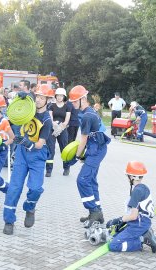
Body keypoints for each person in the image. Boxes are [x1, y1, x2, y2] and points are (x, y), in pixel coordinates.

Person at [3, 84, 54, 235]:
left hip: (37, 155)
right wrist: (19, 99)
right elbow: (13, 113)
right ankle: (9, 221)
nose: (38, 100)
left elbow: (39, 144)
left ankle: (29, 207)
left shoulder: (47, 121)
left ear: (47, 100)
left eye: (42, 98)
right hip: (21, 154)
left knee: (36, 188)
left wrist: (26, 142)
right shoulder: (29, 110)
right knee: (14, 188)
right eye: (37, 97)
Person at [67, 85, 111, 226]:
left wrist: (77, 156)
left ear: (83, 99)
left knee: (82, 180)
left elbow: (83, 139)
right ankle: (98, 212)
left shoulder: (87, 115)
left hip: (96, 150)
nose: (72, 104)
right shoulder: (89, 112)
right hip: (96, 149)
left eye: (75, 101)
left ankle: (93, 211)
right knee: (91, 180)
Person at [106, 161, 156, 253]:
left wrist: (120, 220)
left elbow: (133, 216)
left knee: (113, 245)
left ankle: (142, 239)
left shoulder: (136, 192)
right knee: (115, 236)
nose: (127, 178)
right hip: (142, 222)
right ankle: (144, 233)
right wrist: (122, 221)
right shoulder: (143, 188)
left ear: (132, 176)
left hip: (138, 224)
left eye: (128, 175)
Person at [46, 88, 71, 177]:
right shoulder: (51, 106)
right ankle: (48, 170)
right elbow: (50, 117)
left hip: (62, 129)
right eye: (58, 95)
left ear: (64, 97)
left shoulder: (67, 106)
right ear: (55, 96)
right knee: (50, 149)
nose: (59, 97)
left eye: (61, 96)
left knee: (64, 149)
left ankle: (66, 168)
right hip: (52, 129)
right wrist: (54, 126)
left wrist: (61, 127)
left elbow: (67, 119)